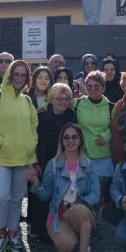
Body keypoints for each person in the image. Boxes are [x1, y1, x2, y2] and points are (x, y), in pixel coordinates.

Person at [0, 60, 38, 252]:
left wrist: (31, 146)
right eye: (16, 74)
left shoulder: (27, 101)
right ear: (9, 75)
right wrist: (2, 142)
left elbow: (33, 128)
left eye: (23, 75)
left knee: (16, 199)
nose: (19, 78)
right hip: (0, 157)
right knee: (1, 197)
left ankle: (14, 234)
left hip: (22, 157)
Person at [28, 123, 100, 252]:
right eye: (66, 137)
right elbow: (45, 196)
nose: (70, 141)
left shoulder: (88, 164)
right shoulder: (53, 164)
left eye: (74, 137)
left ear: (80, 140)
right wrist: (36, 183)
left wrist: (78, 202)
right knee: (67, 245)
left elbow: (96, 194)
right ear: (61, 141)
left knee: (78, 210)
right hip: (58, 214)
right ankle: (79, 243)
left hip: (81, 210)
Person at [31, 83, 77, 242]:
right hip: (45, 160)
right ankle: (41, 231)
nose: (63, 102)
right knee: (44, 195)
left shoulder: (71, 115)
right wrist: (35, 162)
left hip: (65, 161)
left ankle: (62, 229)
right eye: (59, 98)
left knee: (63, 196)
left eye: (66, 99)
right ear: (52, 98)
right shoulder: (42, 115)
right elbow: (35, 140)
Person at [74, 71, 115, 222]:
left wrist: (106, 136)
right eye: (89, 86)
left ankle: (94, 223)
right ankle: (83, 222)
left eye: (96, 86)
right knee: (83, 191)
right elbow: (59, 100)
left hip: (102, 156)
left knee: (98, 195)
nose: (92, 89)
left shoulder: (111, 107)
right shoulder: (77, 103)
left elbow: (116, 127)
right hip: (83, 155)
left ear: (103, 88)